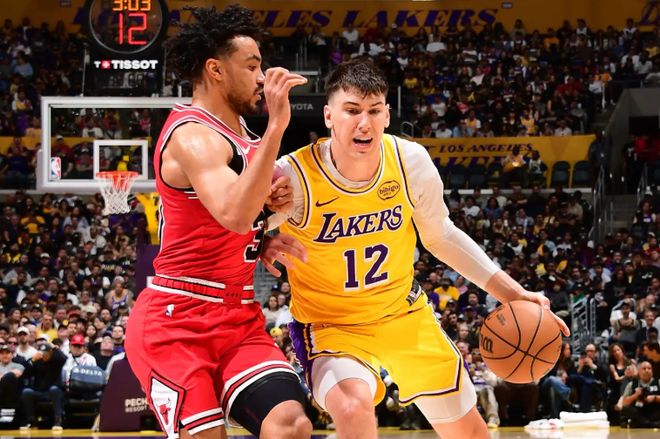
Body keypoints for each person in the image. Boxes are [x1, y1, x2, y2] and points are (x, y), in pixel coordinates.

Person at [270, 60, 570, 439]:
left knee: (471, 434)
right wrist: (260, 237)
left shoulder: (409, 161)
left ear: (387, 115)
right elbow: (232, 220)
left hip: (403, 315)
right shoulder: (293, 176)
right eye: (352, 110)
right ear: (329, 115)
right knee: (351, 407)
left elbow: (440, 235)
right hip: (332, 326)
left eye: (374, 111)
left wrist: (513, 293)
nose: (364, 123)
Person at [124, 5, 311, 439]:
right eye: (252, 66)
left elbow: (238, 217)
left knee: (291, 424)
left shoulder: (242, 134)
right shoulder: (192, 134)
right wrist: (278, 125)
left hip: (237, 316)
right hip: (176, 320)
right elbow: (234, 214)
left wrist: (263, 237)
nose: (262, 77)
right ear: (216, 69)